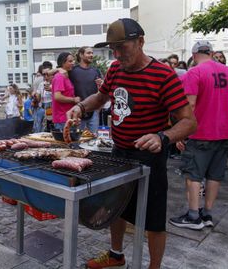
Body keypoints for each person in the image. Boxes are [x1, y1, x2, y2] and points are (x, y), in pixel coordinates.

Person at [67, 18, 197, 269]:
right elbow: (101, 96)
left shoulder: (163, 75)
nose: (116, 54)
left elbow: (189, 122)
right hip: (119, 151)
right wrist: (81, 106)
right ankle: (116, 255)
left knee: (154, 218)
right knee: (117, 208)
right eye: (113, 49)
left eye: (121, 48)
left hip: (150, 158)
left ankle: (154, 266)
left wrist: (163, 137)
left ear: (140, 42)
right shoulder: (115, 69)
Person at [169, 41, 228, 230]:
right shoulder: (227, 70)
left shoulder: (194, 72)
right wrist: (223, 107)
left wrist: (180, 133)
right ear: (211, 53)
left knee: (193, 174)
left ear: (193, 55)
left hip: (201, 132)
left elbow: (190, 106)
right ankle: (207, 213)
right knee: (214, 175)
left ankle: (193, 216)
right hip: (224, 131)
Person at [70, 46, 103, 133]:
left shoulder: (96, 71)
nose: (91, 55)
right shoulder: (72, 71)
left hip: (93, 111)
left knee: (93, 140)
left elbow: (101, 90)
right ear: (81, 55)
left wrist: (101, 84)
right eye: (88, 53)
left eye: (92, 53)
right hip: (78, 111)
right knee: (76, 140)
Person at [51, 52, 80, 130]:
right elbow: (57, 97)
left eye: (73, 61)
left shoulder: (65, 75)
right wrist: (74, 99)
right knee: (67, 142)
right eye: (70, 61)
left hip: (68, 118)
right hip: (62, 119)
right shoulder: (59, 77)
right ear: (63, 63)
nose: (73, 63)